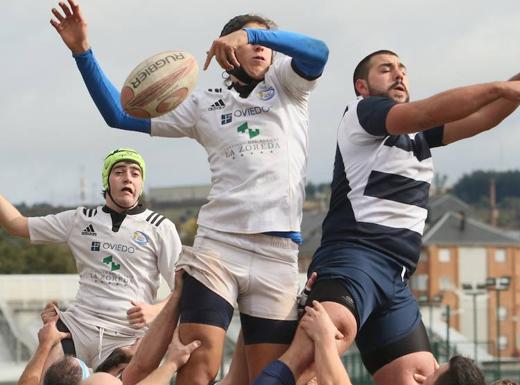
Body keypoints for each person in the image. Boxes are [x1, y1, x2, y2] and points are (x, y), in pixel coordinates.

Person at [252, 36, 520, 385]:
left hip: (397, 277)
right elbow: (428, 110)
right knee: (315, 353)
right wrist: (500, 85)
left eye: (403, 69)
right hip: (354, 259)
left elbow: (483, 118)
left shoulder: (418, 136)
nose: (399, 75)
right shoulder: (363, 113)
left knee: (422, 376)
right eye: (386, 69)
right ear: (362, 86)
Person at [50, 1, 329, 383]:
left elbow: (320, 52)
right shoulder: (203, 104)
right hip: (219, 247)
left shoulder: (289, 87)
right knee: (198, 364)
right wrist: (82, 51)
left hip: (278, 253)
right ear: (227, 51)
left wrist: (252, 33)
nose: (262, 48)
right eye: (249, 40)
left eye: (267, 41)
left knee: (271, 375)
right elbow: (118, 113)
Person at [0, 148, 181, 369]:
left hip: (126, 336)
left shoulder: (160, 227)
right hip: (78, 328)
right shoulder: (80, 219)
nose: (128, 178)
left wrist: (156, 310)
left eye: (135, 173)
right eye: (119, 172)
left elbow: (183, 288)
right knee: (44, 376)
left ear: (141, 184)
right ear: (107, 180)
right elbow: (16, 224)